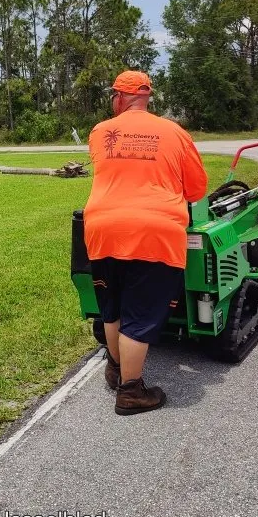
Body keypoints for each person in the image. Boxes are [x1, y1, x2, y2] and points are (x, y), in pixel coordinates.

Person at [84, 70, 207, 415]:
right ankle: (132, 391)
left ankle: (115, 368)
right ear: (146, 97)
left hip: (103, 228)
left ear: (120, 98)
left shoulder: (100, 132)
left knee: (112, 308)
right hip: (154, 232)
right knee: (139, 315)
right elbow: (196, 190)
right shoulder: (174, 132)